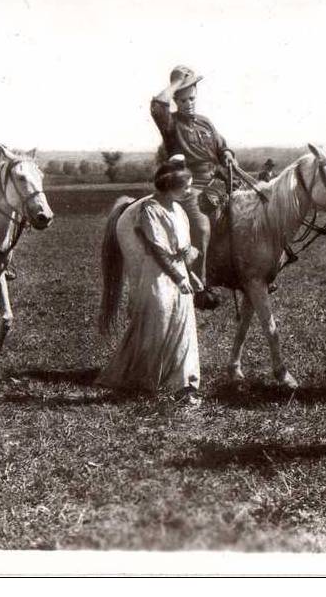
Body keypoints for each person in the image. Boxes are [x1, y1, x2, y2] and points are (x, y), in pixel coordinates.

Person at [96, 156, 203, 404]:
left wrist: (192, 275)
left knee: (184, 327)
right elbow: (158, 250)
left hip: (179, 275)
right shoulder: (149, 210)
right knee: (159, 323)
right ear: (169, 186)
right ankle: (146, 380)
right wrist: (178, 277)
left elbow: (181, 249)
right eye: (185, 186)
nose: (190, 190)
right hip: (159, 276)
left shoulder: (179, 210)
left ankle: (185, 384)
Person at [150, 65, 236, 310]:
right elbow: (157, 104)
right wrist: (177, 82)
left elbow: (221, 146)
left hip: (218, 181)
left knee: (249, 209)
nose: (189, 103)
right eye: (184, 99)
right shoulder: (170, 123)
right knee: (201, 227)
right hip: (191, 186)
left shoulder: (205, 123)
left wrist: (227, 153)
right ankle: (201, 286)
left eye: (192, 98)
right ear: (176, 100)